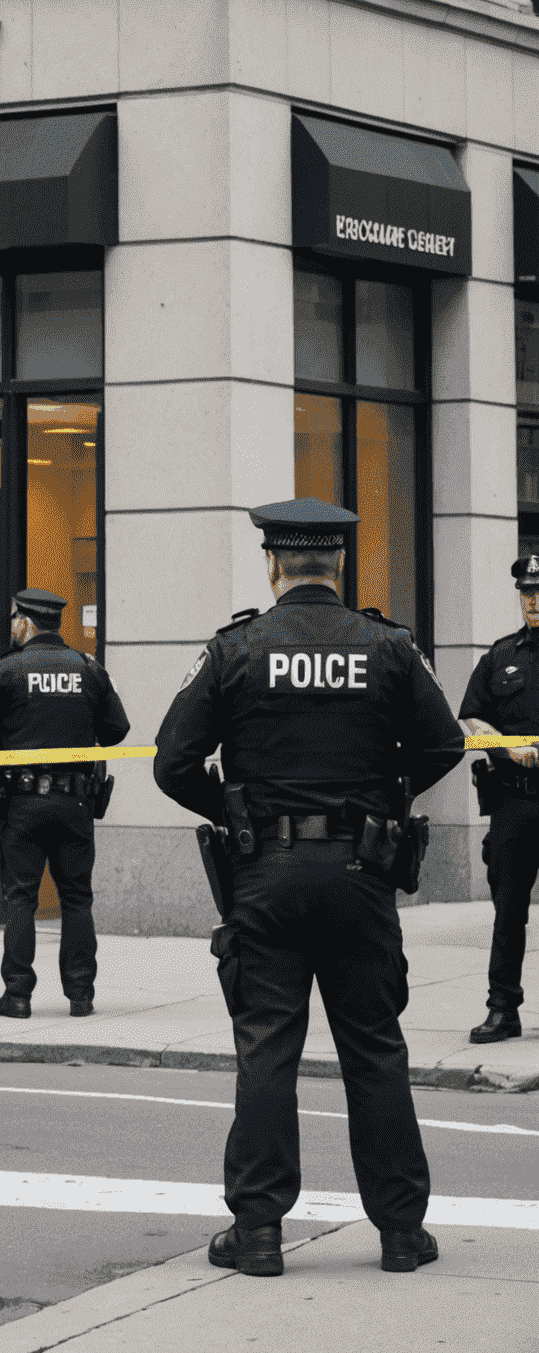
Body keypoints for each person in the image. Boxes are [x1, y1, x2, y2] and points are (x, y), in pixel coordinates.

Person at [153, 498, 465, 1278]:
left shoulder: (236, 648)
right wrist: (385, 800)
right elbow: (445, 743)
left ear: (273, 564)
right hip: (361, 874)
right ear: (339, 565)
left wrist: (237, 810)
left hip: (266, 877)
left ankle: (257, 1234)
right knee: (374, 1049)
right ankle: (400, 1232)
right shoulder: (387, 646)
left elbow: (172, 763)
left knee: (267, 1051)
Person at [0, 587, 129, 1020]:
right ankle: (81, 996)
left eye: (15, 618)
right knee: (77, 898)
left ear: (25, 622)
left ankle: (17, 995)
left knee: (21, 898)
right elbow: (116, 730)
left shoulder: (6, 670)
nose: (13, 626)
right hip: (75, 803)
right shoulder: (89, 668)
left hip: (23, 804)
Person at [457, 554, 539, 1045]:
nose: (534, 600)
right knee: (509, 911)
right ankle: (502, 1010)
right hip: (515, 802)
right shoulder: (500, 657)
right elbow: (472, 724)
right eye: (527, 592)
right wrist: (511, 747)